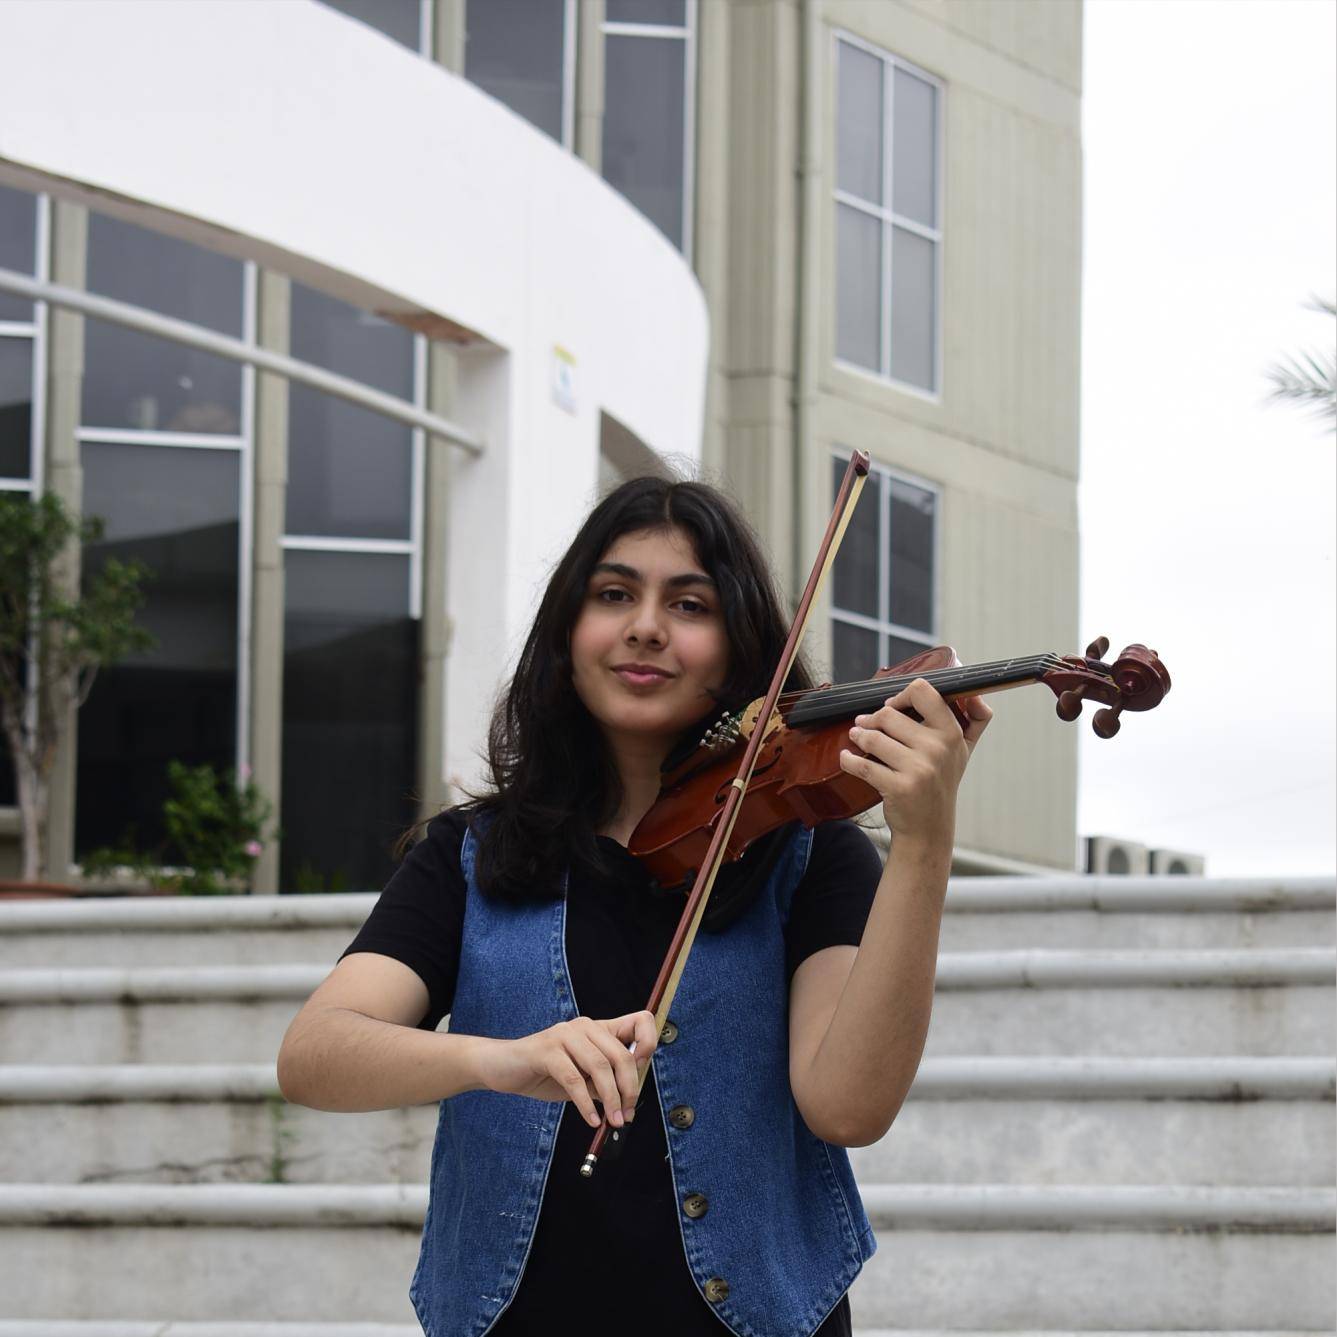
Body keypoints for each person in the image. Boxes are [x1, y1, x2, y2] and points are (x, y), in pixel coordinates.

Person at [276, 474, 992, 1337]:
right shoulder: (473, 853)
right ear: (568, 633)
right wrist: (496, 1061)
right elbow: (313, 1055)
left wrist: (923, 842)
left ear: (738, 645)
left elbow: (847, 1108)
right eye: (613, 594)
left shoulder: (804, 853)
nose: (645, 625)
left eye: (689, 604)